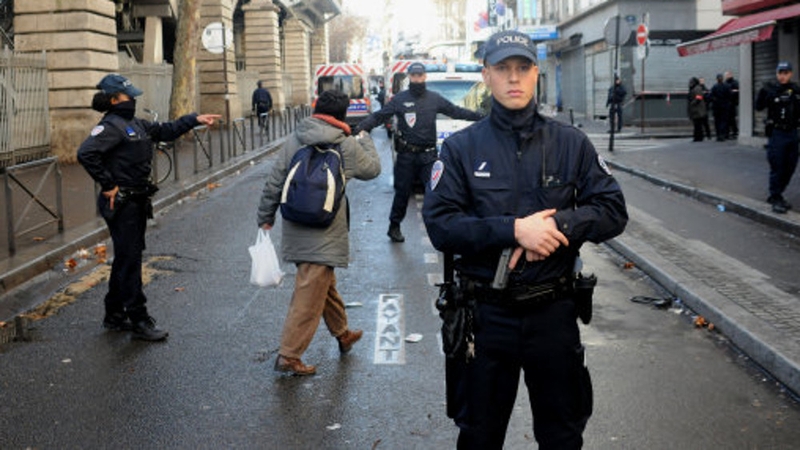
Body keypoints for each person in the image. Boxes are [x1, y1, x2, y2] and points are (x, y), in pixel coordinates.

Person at [422, 30, 628, 449]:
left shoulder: (571, 143)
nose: (513, 78)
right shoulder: (461, 148)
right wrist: (514, 229)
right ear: (487, 75)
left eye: (522, 68)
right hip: (485, 318)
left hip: (553, 316)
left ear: (537, 74)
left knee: (563, 436)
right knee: (479, 436)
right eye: (502, 69)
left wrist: (559, 227)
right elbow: (441, 224)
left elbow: (612, 210)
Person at [77, 74, 220, 341]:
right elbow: (86, 153)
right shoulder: (110, 127)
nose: (133, 99)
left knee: (125, 257)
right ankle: (139, 319)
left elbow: (165, 130)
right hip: (122, 203)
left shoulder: (134, 123)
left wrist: (194, 119)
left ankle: (114, 314)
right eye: (128, 95)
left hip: (136, 201)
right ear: (113, 99)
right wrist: (108, 184)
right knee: (130, 260)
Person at [256, 90, 381, 375]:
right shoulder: (346, 144)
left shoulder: (295, 138)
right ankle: (288, 355)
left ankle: (342, 333)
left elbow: (274, 180)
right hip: (325, 231)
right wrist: (366, 140)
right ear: (343, 114)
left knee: (323, 285)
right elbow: (372, 169)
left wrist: (265, 216)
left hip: (297, 224)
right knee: (308, 297)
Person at [354, 62, 484, 243]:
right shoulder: (400, 99)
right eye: (414, 75)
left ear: (424, 77)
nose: (417, 78)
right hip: (407, 155)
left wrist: (482, 117)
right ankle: (394, 226)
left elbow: (456, 111)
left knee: (436, 193)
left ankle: (443, 228)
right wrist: (362, 127)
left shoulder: (434, 99)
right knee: (402, 193)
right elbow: (379, 116)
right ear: (409, 77)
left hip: (429, 157)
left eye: (420, 75)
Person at [755, 61, 800, 214]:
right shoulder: (770, 90)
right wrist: (762, 91)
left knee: (791, 166)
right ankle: (775, 197)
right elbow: (759, 106)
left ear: (791, 74)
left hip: (793, 133)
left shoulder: (795, 90)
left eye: (786, 73)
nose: (782, 76)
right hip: (777, 133)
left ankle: (778, 192)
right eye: (780, 73)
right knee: (777, 165)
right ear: (776, 74)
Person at [709, 73, 732, 141]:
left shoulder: (714, 87)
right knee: (723, 121)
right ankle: (722, 134)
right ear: (723, 79)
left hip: (716, 106)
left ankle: (718, 135)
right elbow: (730, 96)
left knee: (717, 121)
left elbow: (711, 96)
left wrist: (714, 100)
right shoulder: (727, 86)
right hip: (724, 106)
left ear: (717, 79)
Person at [688, 77, 708, 142]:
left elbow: (699, 97)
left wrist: (692, 103)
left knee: (698, 124)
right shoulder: (695, 88)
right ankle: (698, 137)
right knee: (697, 124)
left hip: (697, 110)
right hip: (696, 110)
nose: (690, 84)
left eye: (691, 82)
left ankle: (698, 137)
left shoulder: (697, 88)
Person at [725, 70, 740, 139]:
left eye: (727, 75)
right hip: (727, 103)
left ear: (730, 75)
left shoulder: (734, 82)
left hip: (732, 103)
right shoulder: (725, 83)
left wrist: (731, 92)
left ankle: (734, 132)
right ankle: (729, 132)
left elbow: (738, 90)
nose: (726, 76)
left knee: (732, 119)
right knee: (728, 119)